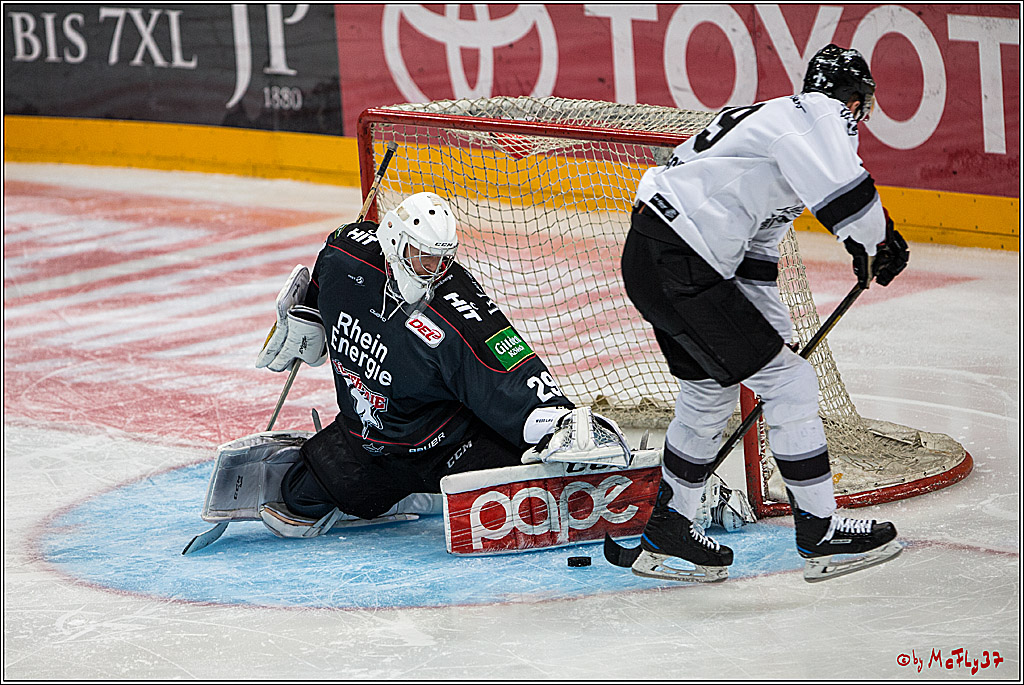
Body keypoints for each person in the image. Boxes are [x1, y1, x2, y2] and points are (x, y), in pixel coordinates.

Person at [620, 44, 910, 583]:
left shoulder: (776, 132)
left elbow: (755, 261)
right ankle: (820, 535)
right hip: (682, 261)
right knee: (793, 384)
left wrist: (775, 339)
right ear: (852, 102)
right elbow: (851, 200)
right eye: (862, 109)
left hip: (653, 256)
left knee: (710, 392)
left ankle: (668, 532)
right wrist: (877, 238)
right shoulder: (815, 115)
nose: (859, 122)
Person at [252, 191, 601, 537]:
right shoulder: (344, 251)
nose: (434, 270)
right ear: (394, 241)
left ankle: (431, 490)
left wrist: (559, 419)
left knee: (533, 489)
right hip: (370, 443)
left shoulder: (456, 308)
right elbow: (320, 282)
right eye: (424, 258)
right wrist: (306, 318)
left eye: (442, 259)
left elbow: (507, 368)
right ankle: (405, 497)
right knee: (296, 498)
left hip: (449, 447)